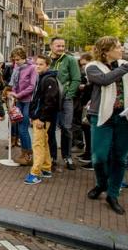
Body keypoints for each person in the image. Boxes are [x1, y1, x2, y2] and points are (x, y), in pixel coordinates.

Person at [85, 36, 128, 215]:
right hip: (102, 116)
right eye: (118, 47)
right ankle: (101, 183)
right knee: (99, 157)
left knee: (120, 157)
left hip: (125, 117)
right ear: (106, 51)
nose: (122, 50)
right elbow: (105, 80)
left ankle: (112, 193)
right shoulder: (93, 67)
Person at [24, 54, 61, 184]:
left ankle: (35, 173)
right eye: (37, 64)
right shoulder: (42, 78)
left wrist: (41, 118)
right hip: (39, 116)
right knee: (43, 142)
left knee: (38, 144)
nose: (37, 66)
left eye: (41, 64)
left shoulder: (48, 80)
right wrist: (33, 115)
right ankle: (46, 168)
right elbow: (37, 99)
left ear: (47, 65)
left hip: (42, 118)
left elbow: (49, 102)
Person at [48, 37, 81, 170]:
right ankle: (52, 156)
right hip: (50, 100)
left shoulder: (70, 60)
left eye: (63, 46)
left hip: (65, 99)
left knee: (66, 128)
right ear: (51, 46)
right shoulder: (47, 60)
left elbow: (76, 79)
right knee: (50, 129)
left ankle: (67, 157)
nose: (61, 48)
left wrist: (69, 94)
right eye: (58, 46)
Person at [7, 47, 36, 166]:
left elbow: (32, 86)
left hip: (28, 101)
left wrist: (18, 94)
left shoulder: (32, 68)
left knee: (23, 128)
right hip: (18, 100)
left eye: (18, 59)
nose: (16, 62)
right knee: (19, 127)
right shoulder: (17, 68)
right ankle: (24, 153)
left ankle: (29, 156)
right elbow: (15, 83)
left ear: (24, 57)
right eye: (14, 60)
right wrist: (13, 94)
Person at [75, 53, 94, 165]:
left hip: (91, 105)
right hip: (86, 104)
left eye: (85, 64)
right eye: (81, 65)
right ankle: (87, 152)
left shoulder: (93, 73)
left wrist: (85, 87)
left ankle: (91, 154)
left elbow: (94, 87)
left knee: (90, 130)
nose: (83, 67)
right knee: (85, 128)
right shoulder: (86, 74)